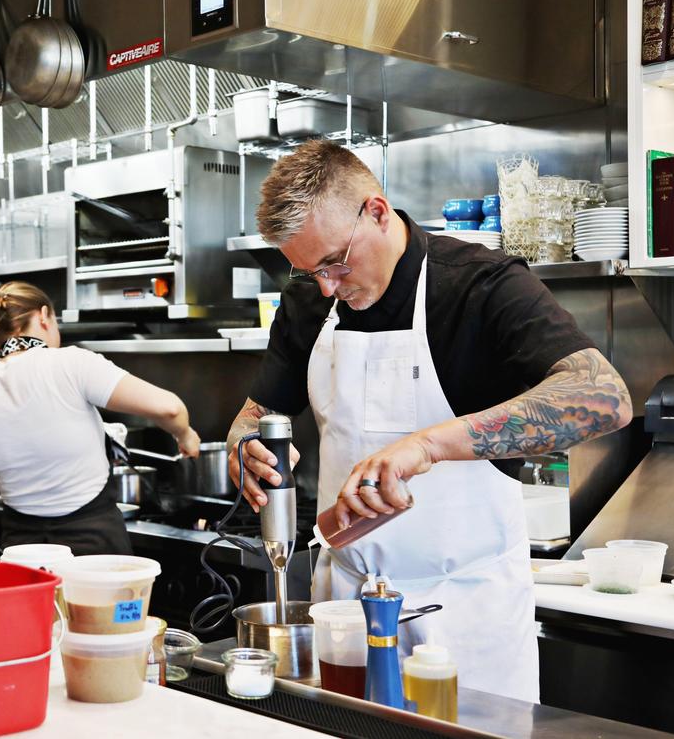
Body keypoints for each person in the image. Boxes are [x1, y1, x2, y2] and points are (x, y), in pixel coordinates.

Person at [226, 141, 632, 703]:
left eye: (335, 262)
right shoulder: (307, 303)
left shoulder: (479, 284)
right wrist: (245, 443)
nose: (325, 286)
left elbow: (606, 397)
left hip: (465, 609)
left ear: (376, 210)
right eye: (307, 269)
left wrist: (429, 446)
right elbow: (255, 415)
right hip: (346, 604)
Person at [0, 281, 201, 556]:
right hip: (92, 544)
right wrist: (185, 435)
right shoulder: (71, 364)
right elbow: (170, 409)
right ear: (44, 316)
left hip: (22, 550)